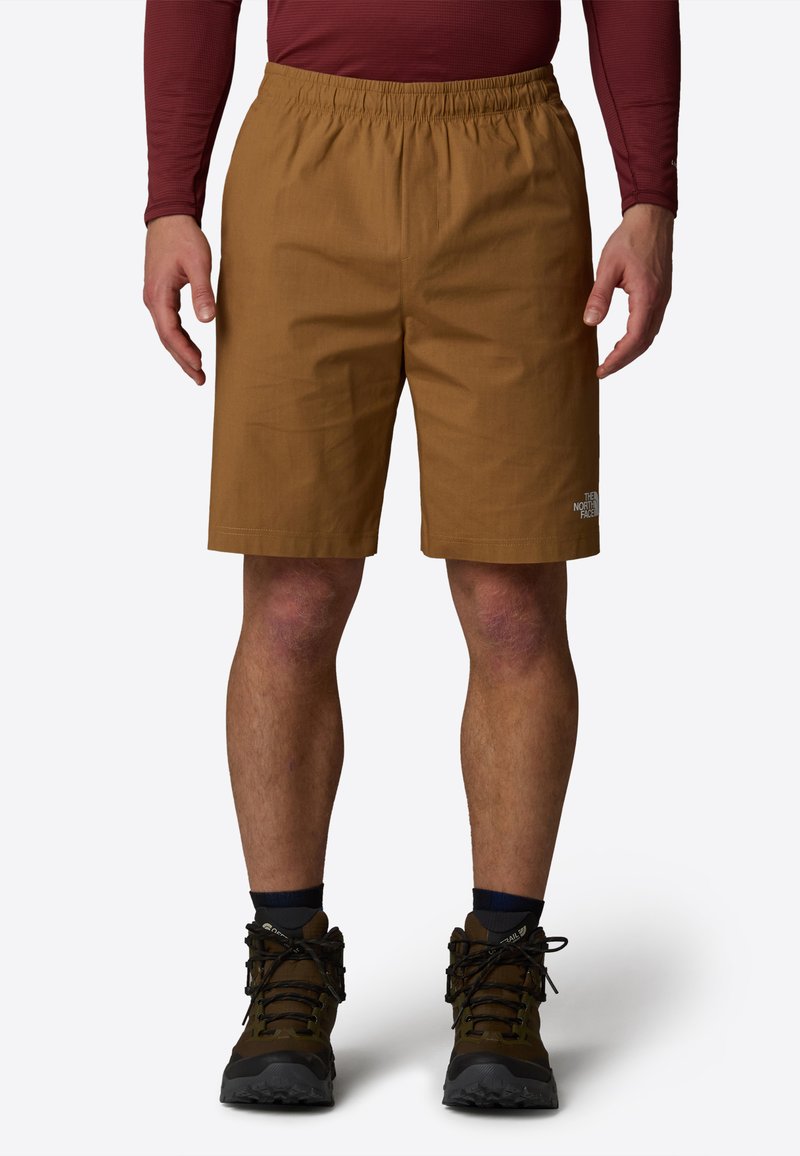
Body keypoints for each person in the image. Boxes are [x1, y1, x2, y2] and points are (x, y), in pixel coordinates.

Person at [142, 0, 679, 1110]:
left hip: (510, 166)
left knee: (512, 601)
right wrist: (168, 198)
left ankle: (502, 972)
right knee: (293, 596)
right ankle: (286, 966)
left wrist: (649, 194)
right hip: (305, 160)